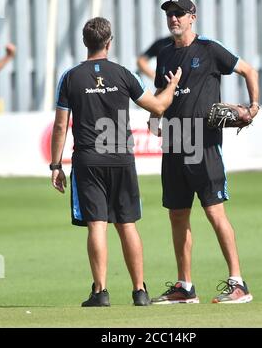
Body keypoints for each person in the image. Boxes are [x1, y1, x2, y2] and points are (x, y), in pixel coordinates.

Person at [50, 17, 181, 307]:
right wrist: (172, 86)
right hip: (121, 158)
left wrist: (55, 165)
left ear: (86, 43)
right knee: (127, 224)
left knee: (97, 225)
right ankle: (140, 291)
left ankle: (100, 292)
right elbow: (158, 106)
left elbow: (60, 126)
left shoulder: (71, 77)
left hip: (88, 160)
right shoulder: (123, 74)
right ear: (110, 42)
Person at [149, 0, 259, 304]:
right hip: (173, 142)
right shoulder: (165, 54)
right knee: (177, 215)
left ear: (192, 17)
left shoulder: (209, 49)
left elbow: (249, 71)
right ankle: (185, 287)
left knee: (214, 212)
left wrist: (253, 107)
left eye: (179, 13)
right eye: (170, 14)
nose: (173, 18)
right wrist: (153, 113)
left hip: (204, 144)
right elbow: (161, 91)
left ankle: (239, 283)